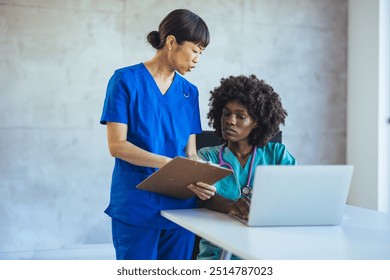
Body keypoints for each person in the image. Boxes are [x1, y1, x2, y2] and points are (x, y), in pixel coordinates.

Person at [100, 9, 216, 260]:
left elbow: (190, 152)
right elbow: (117, 145)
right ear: (172, 42)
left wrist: (198, 177)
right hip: (136, 205)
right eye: (195, 50)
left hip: (181, 210)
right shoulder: (125, 80)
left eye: (202, 53)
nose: (197, 59)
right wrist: (166, 164)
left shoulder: (189, 92)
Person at [187, 74, 297, 260]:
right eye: (226, 113)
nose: (230, 121)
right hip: (218, 253)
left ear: (256, 123)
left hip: (266, 250)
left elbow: (295, 194)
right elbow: (203, 198)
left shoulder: (277, 154)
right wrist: (233, 206)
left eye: (241, 116)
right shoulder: (207, 156)